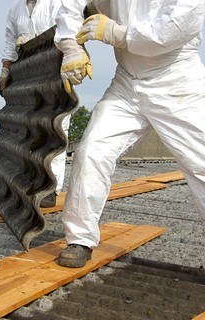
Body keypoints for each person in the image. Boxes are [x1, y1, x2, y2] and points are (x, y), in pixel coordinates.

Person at [54, 0, 205, 268]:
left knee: (201, 165)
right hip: (127, 82)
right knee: (91, 151)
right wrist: (71, 47)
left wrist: (116, 33)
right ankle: (80, 239)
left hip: (177, 82)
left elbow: (171, 31)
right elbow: (71, 3)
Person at [0, 0, 71, 208]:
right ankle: (29, 182)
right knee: (29, 128)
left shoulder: (57, 3)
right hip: (28, 72)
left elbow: (71, 31)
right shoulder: (16, 10)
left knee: (56, 128)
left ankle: (51, 188)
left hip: (56, 69)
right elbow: (10, 43)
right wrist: (5, 71)